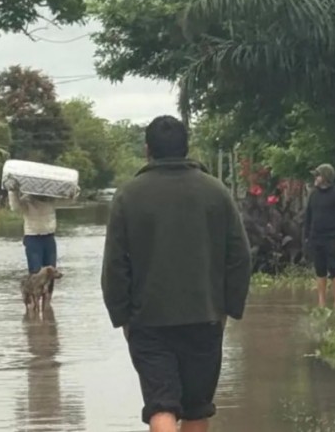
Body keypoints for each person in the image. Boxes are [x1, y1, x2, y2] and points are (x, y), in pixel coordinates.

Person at [101, 115, 252, 432]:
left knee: (161, 404)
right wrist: (227, 308)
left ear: (147, 150)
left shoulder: (128, 196)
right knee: (197, 408)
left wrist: (122, 316)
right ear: (187, 148)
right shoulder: (216, 192)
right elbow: (239, 257)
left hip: (148, 322)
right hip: (205, 318)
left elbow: (114, 266)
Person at [7, 181, 74, 306]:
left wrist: (72, 193)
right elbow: (15, 207)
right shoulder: (26, 200)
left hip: (49, 237)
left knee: (51, 272)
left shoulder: (50, 200)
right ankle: (33, 305)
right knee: (36, 272)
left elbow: (67, 201)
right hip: (33, 238)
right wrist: (13, 191)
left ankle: (47, 305)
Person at [304, 163, 335, 309]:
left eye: (317, 175)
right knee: (320, 270)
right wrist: (306, 236)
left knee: (334, 269)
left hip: (332, 238)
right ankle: (321, 302)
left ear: (324, 177)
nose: (315, 178)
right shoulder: (313, 194)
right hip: (316, 238)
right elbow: (308, 217)